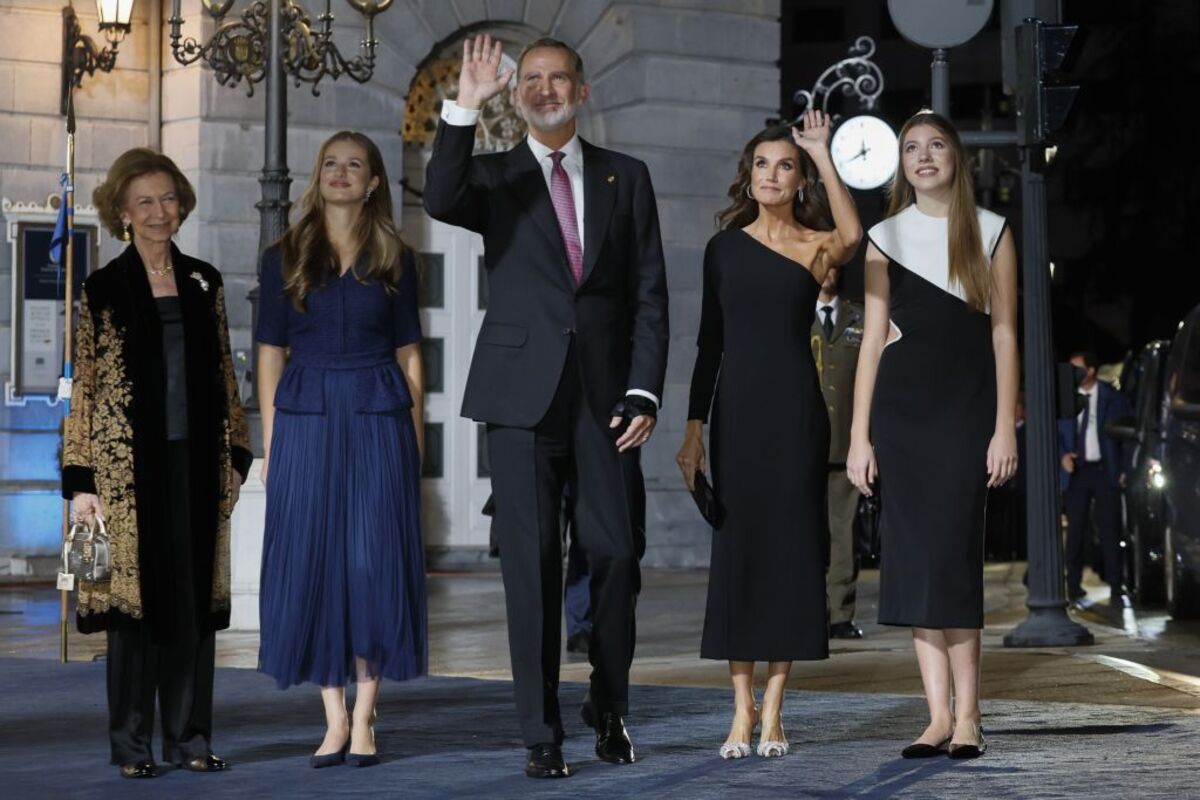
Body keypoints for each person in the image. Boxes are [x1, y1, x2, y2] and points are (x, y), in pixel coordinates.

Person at [424, 34, 668, 779]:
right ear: (517, 93)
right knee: (530, 566)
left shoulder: (628, 177)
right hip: (519, 399)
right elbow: (439, 197)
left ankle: (609, 699)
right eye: (531, 79)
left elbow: (648, 295)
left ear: (582, 91)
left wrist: (643, 387)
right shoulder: (494, 177)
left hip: (606, 405)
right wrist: (464, 106)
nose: (545, 88)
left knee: (618, 554)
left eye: (559, 78)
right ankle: (541, 732)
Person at [62, 147, 252, 779]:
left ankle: (191, 739)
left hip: (197, 464)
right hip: (125, 472)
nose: (160, 211)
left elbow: (226, 371)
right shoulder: (103, 288)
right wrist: (80, 478)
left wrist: (237, 453)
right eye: (145, 201)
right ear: (122, 211)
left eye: (169, 198)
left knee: (194, 607)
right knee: (134, 611)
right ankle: (133, 746)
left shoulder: (205, 280)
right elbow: (85, 384)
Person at [677, 113, 862, 759]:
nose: (772, 175)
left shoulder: (816, 245)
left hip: (796, 417)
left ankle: (775, 712)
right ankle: (738, 712)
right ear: (747, 174)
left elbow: (854, 234)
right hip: (737, 419)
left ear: (799, 177)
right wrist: (693, 431)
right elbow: (709, 347)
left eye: (786, 165)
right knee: (739, 561)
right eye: (763, 164)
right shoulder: (722, 249)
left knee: (789, 558)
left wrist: (823, 153)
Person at [847, 111, 1018, 760]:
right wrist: (860, 437)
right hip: (901, 415)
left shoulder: (991, 233)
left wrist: (1005, 425)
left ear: (956, 158)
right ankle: (937, 717)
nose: (923, 156)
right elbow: (870, 343)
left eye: (936, 145)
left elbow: (1005, 334)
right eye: (911, 148)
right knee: (914, 562)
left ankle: (971, 715)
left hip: (966, 413)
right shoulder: (883, 238)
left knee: (952, 560)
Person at [256, 131, 427, 769]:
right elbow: (271, 353)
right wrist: (273, 441)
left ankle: (365, 718)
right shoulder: (284, 254)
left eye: (355, 165)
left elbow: (411, 354)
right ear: (317, 174)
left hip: (379, 413)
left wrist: (415, 437)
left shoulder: (397, 256)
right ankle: (333, 717)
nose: (341, 173)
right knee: (316, 566)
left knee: (371, 565)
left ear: (374, 181)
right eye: (331, 163)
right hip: (305, 417)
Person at [810, 265, 866, 640]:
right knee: (809, 532)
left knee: (844, 531)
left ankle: (840, 614)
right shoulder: (795, 312)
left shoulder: (859, 317)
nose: (827, 272)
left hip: (847, 443)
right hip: (806, 442)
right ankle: (812, 610)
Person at [1058, 350, 1132, 603]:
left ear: (1090, 371)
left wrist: (1124, 468)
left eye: (1076, 369)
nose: (1071, 374)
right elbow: (1054, 433)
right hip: (1077, 472)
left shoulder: (1112, 397)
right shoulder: (1064, 398)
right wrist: (1062, 456)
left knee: (1110, 529)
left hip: (1104, 470)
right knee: (1076, 530)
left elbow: (1125, 434)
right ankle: (1073, 585)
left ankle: (1115, 584)